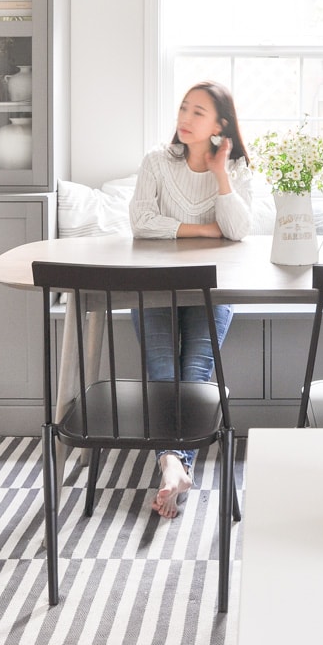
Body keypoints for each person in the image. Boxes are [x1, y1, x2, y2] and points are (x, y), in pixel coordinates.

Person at [129, 81, 253, 518]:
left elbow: (238, 230)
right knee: (164, 374)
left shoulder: (235, 170)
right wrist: (204, 230)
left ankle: (172, 466)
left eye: (198, 112)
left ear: (220, 124)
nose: (185, 117)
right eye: (184, 108)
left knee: (195, 374)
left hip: (210, 293)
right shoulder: (157, 163)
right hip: (155, 287)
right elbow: (142, 222)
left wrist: (220, 175)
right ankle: (174, 465)